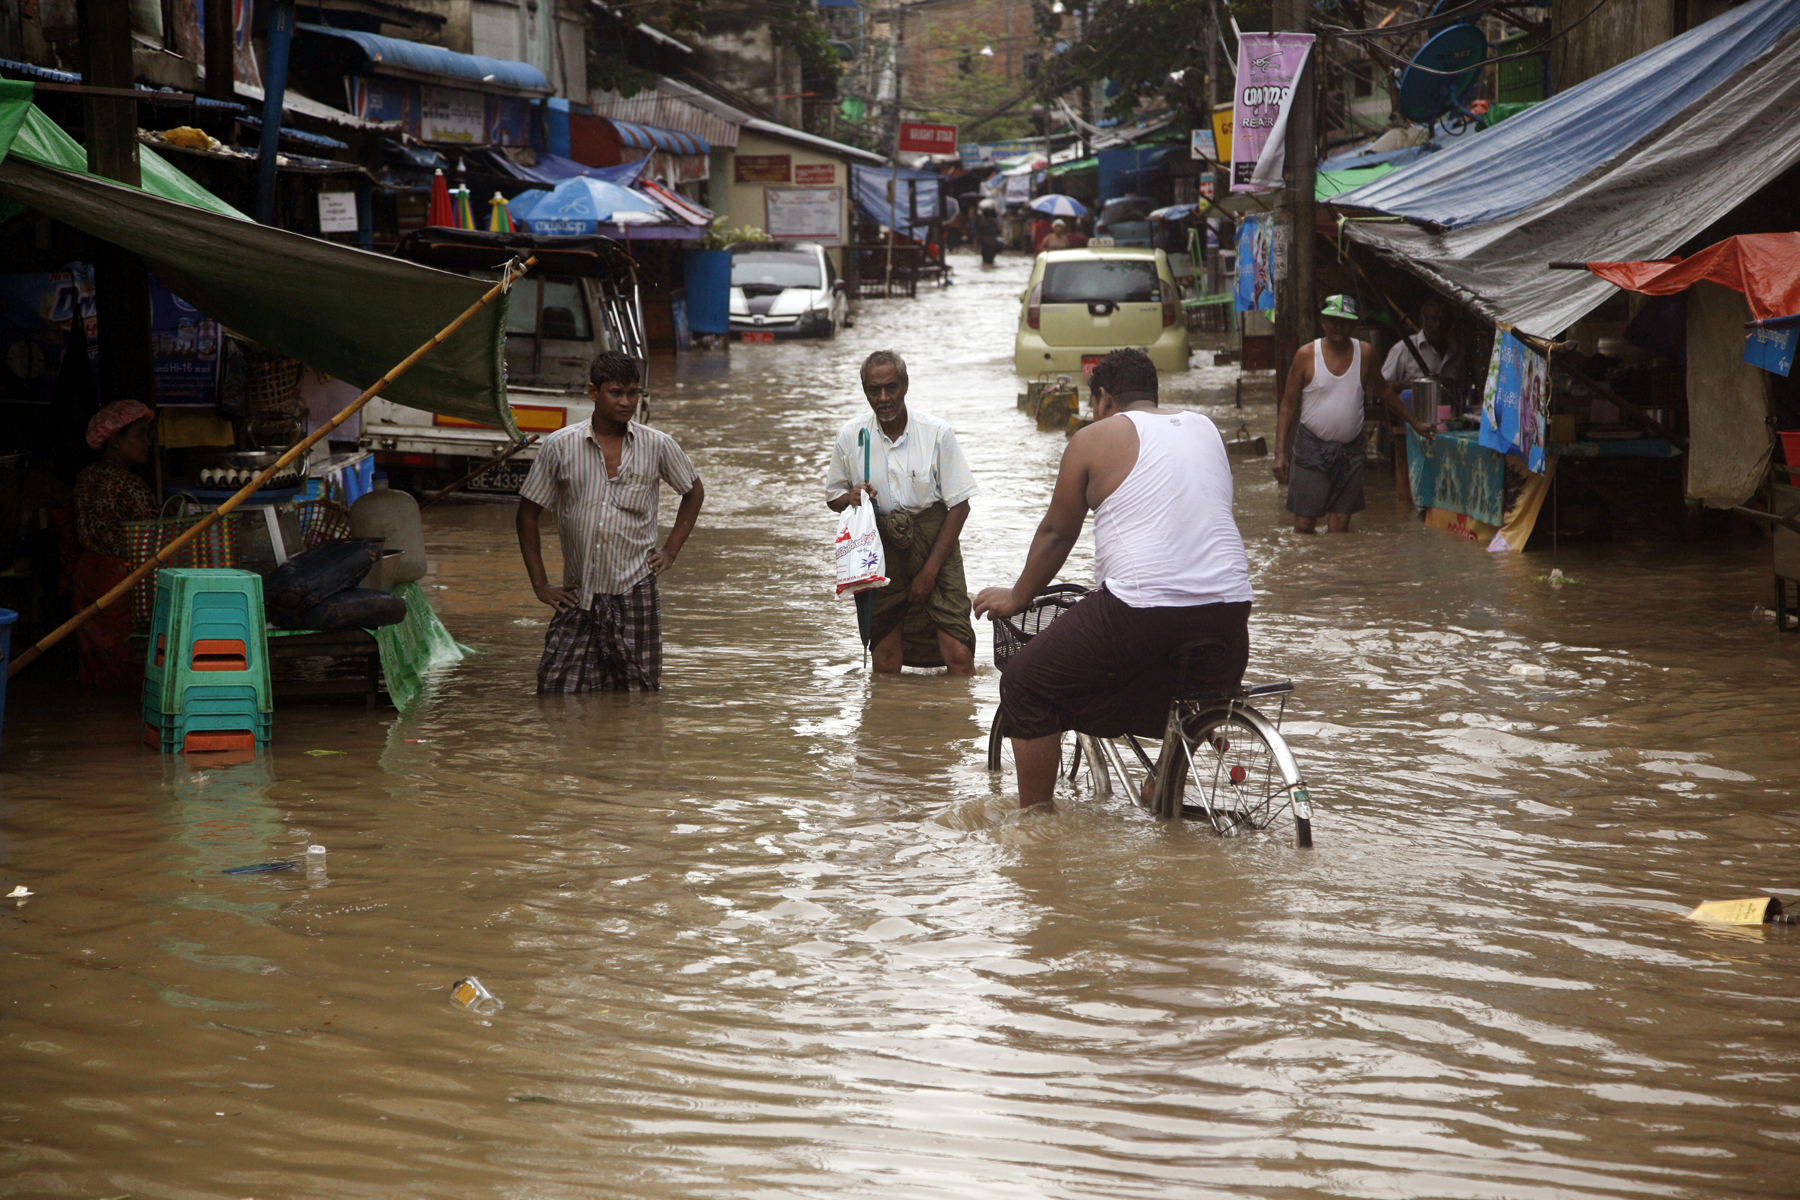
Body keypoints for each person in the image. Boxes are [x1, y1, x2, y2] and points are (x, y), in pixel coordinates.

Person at [973, 348, 1253, 810]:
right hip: (1231, 611)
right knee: (1188, 695)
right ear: (1153, 392)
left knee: (1025, 683)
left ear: (1103, 398)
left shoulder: (1094, 438)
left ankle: (1036, 826)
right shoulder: (1205, 429)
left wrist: (1018, 596)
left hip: (1141, 613)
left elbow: (1058, 533)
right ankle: (1162, 779)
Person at [516, 351, 705, 693]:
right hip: (578, 593)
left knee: (639, 694)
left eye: (633, 393)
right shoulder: (561, 446)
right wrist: (541, 585)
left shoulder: (657, 445)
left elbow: (693, 492)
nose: (626, 402)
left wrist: (670, 552)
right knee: (556, 690)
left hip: (635, 591)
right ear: (593, 392)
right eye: (616, 393)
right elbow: (527, 515)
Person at [826, 350, 978, 676]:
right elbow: (834, 497)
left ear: (905, 385)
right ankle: (890, 724)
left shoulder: (937, 433)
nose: (883, 398)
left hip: (936, 543)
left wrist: (929, 572)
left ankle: (957, 725)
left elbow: (960, 505)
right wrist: (850, 498)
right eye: (873, 390)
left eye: (891, 387)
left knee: (959, 652)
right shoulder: (852, 437)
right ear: (864, 391)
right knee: (884, 657)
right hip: (879, 551)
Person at [1274, 294, 1433, 534]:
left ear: (1355, 324)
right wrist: (1280, 454)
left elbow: (1385, 393)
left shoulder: (1365, 353)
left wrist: (1414, 423)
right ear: (1322, 322)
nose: (1338, 326)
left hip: (1351, 451)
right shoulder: (1306, 355)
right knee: (1304, 526)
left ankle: (1338, 571)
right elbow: (1287, 406)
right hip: (1311, 449)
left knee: (1340, 527)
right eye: (1332, 320)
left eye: (1345, 321)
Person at [72, 400, 158, 689]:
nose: (147, 443)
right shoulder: (129, 484)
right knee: (124, 658)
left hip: (86, 578)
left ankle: (97, 725)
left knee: (95, 662)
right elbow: (152, 538)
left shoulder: (86, 477)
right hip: (119, 583)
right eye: (140, 435)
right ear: (115, 441)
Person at [1381, 297, 1465, 389]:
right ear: (1422, 321)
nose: (1438, 325)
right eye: (1433, 319)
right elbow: (1381, 387)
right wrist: (1405, 385)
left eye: (1443, 319)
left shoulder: (1456, 350)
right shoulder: (1404, 348)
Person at [974, 200, 1002, 265]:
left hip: (985, 244)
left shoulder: (983, 223)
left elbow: (979, 233)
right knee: (991, 260)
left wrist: (978, 243)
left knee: (985, 261)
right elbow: (999, 231)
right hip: (993, 243)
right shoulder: (996, 222)